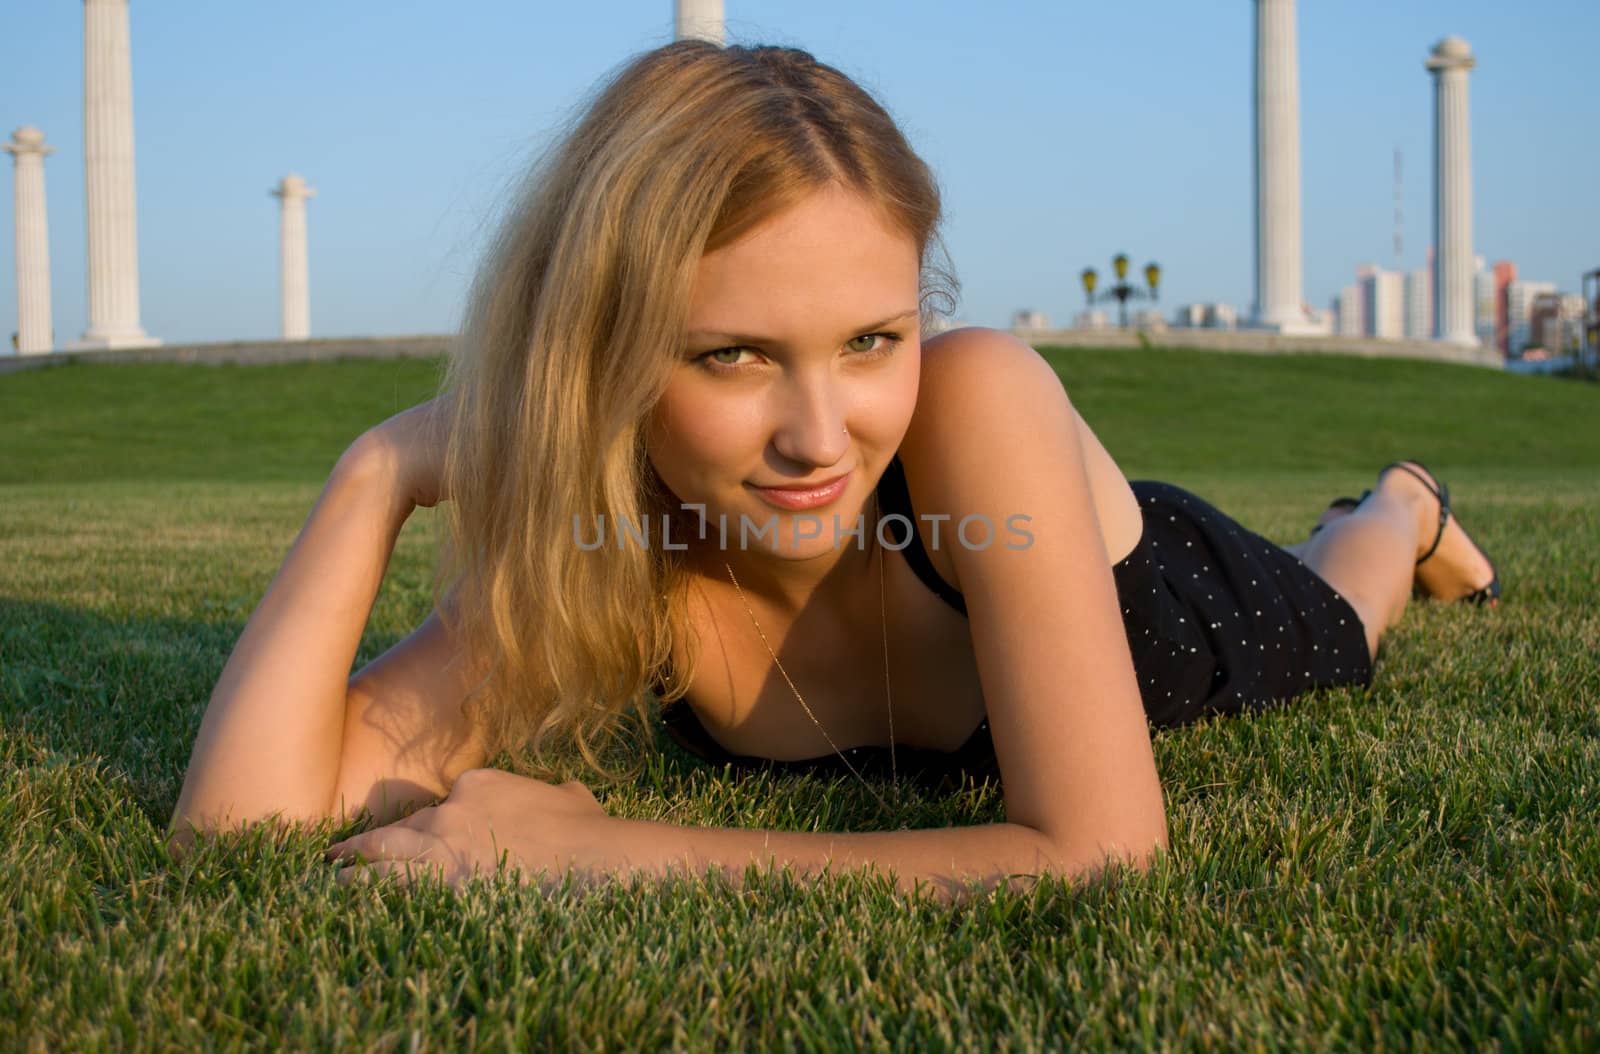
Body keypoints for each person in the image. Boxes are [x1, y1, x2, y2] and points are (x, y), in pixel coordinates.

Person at [167, 41, 1500, 902]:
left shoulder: (974, 395)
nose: (821, 436)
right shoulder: (620, 541)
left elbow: (1100, 854)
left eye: (873, 340)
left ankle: (1399, 501)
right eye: (735, 356)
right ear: (607, 358)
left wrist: (603, 854)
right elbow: (243, 819)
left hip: (1182, 599)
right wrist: (378, 470)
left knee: (1347, 608)